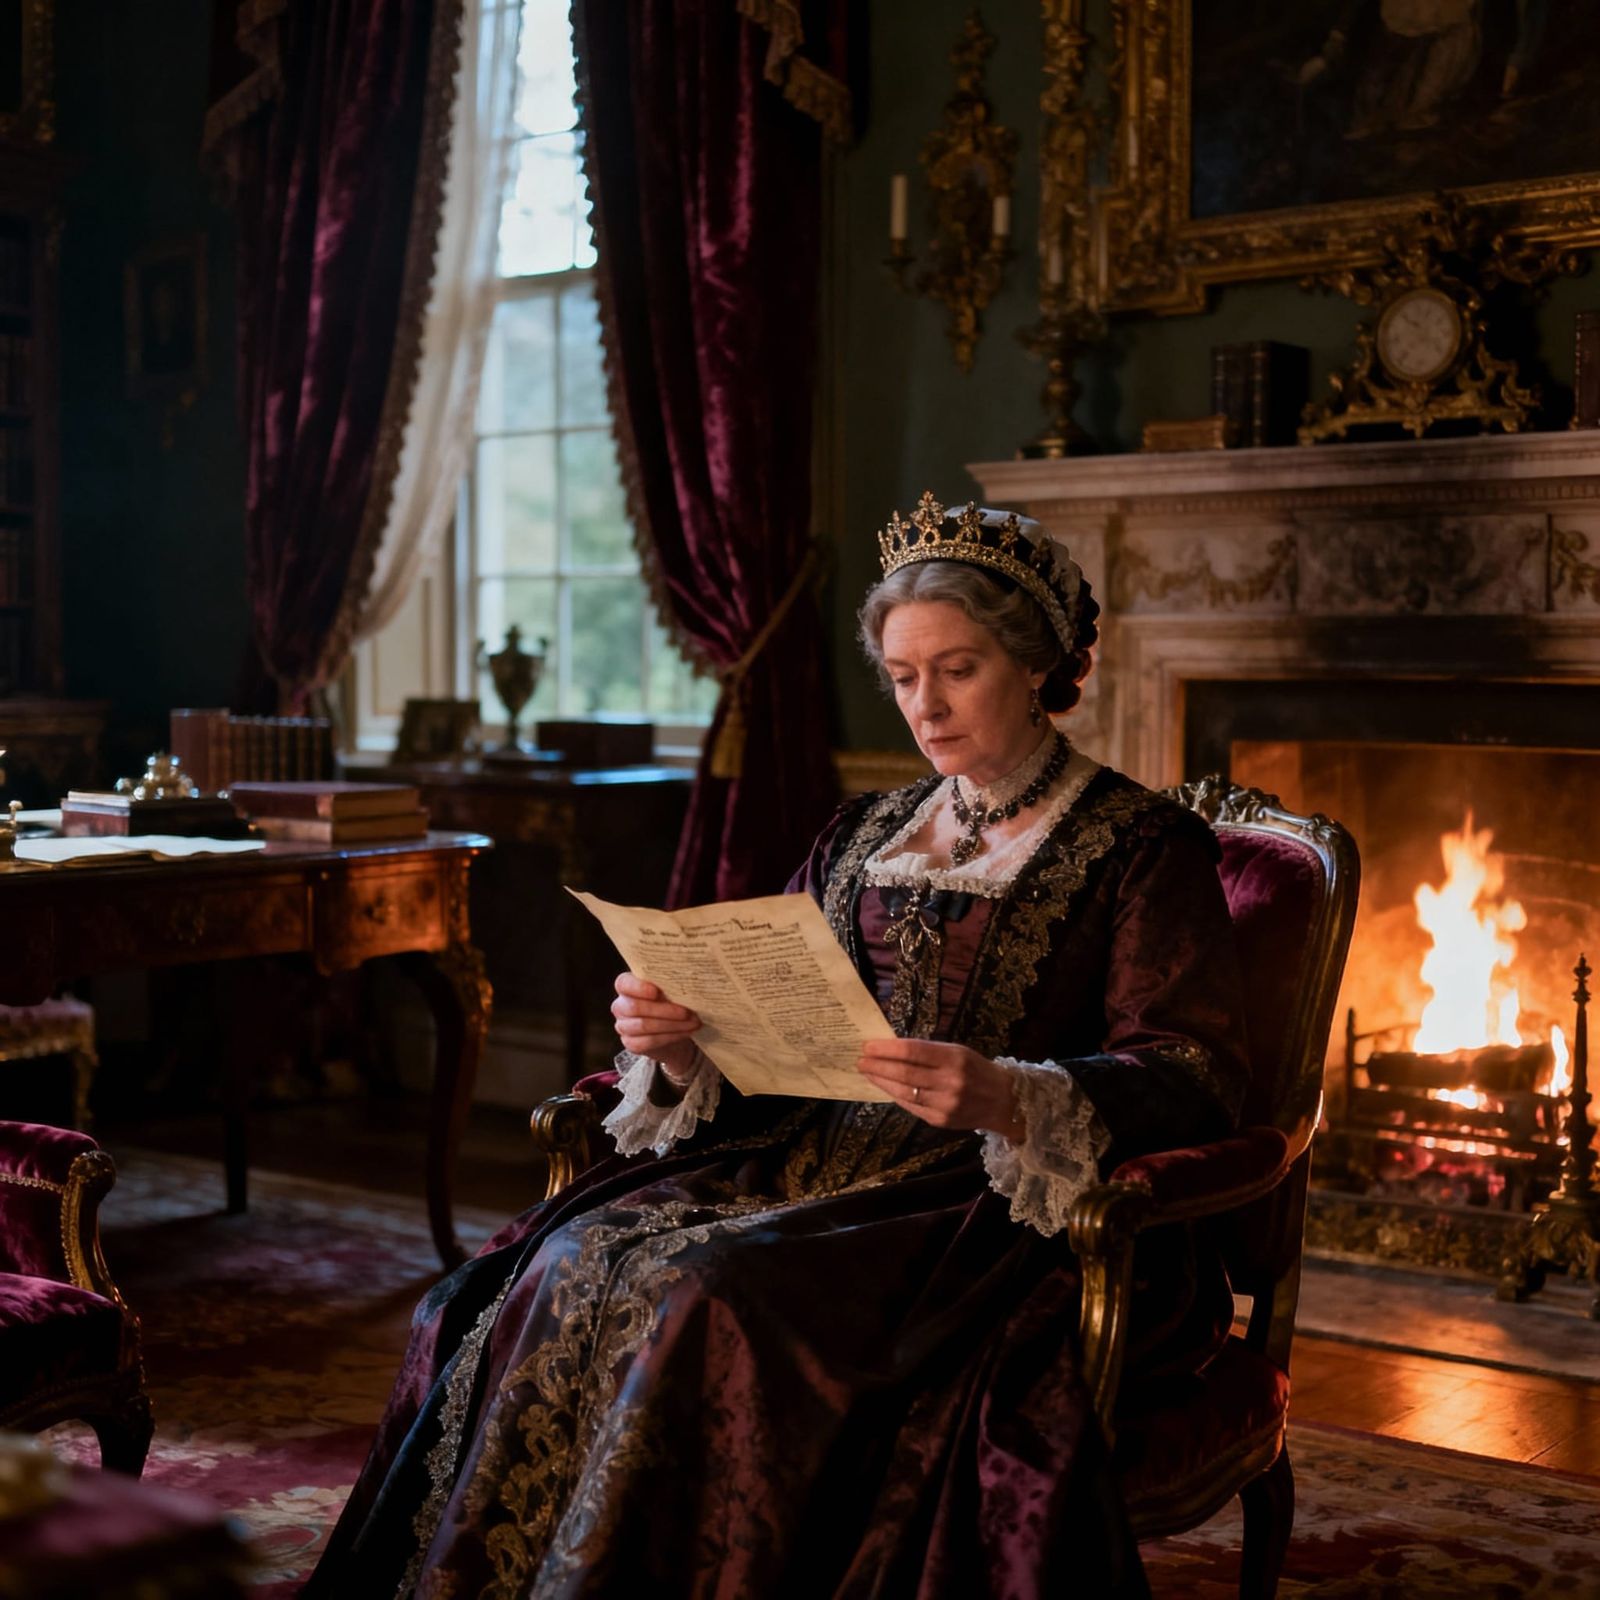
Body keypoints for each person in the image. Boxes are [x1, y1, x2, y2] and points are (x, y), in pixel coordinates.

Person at [306, 492, 1249, 1600]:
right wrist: (679, 1039)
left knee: (708, 1292)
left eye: (958, 669)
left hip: (977, 1210)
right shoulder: (862, 830)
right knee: (557, 1263)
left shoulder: (1139, 843)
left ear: (1037, 666)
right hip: (795, 1151)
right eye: (902, 676)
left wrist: (1008, 1093)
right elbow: (781, 1008)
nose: (924, 704)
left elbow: (1193, 1072)